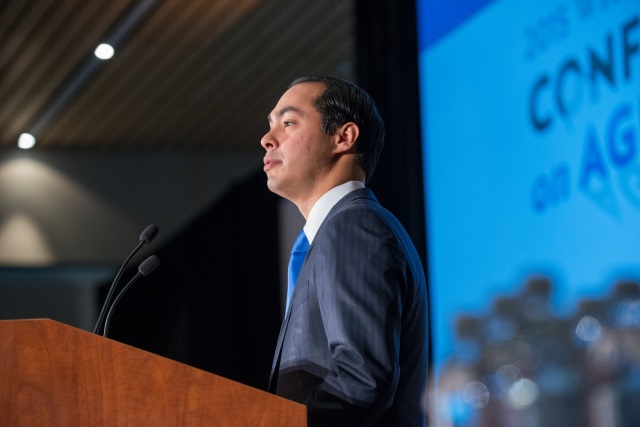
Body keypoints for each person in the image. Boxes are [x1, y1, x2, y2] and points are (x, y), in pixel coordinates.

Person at [262, 74, 428, 426]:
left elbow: (361, 379)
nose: (267, 139)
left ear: (344, 137)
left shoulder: (354, 226)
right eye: (270, 125)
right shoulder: (334, 233)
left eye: (288, 123)